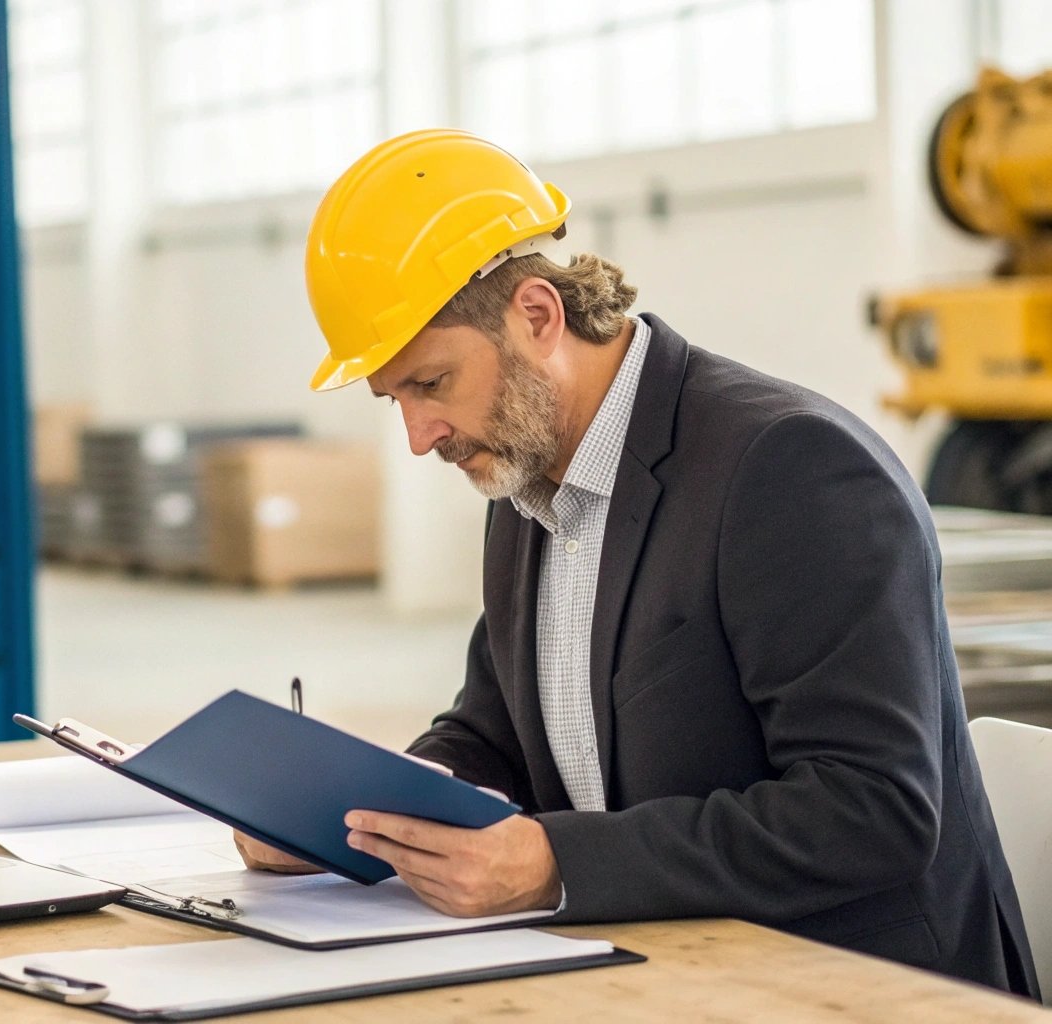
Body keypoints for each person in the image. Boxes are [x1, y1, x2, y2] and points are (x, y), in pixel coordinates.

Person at [234, 128, 1039, 997]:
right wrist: (360, 817)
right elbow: (493, 731)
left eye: (430, 385)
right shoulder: (524, 478)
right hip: (674, 968)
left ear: (536, 317)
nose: (420, 435)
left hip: (863, 988)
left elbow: (871, 810)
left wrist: (553, 864)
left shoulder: (790, 468)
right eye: (393, 399)